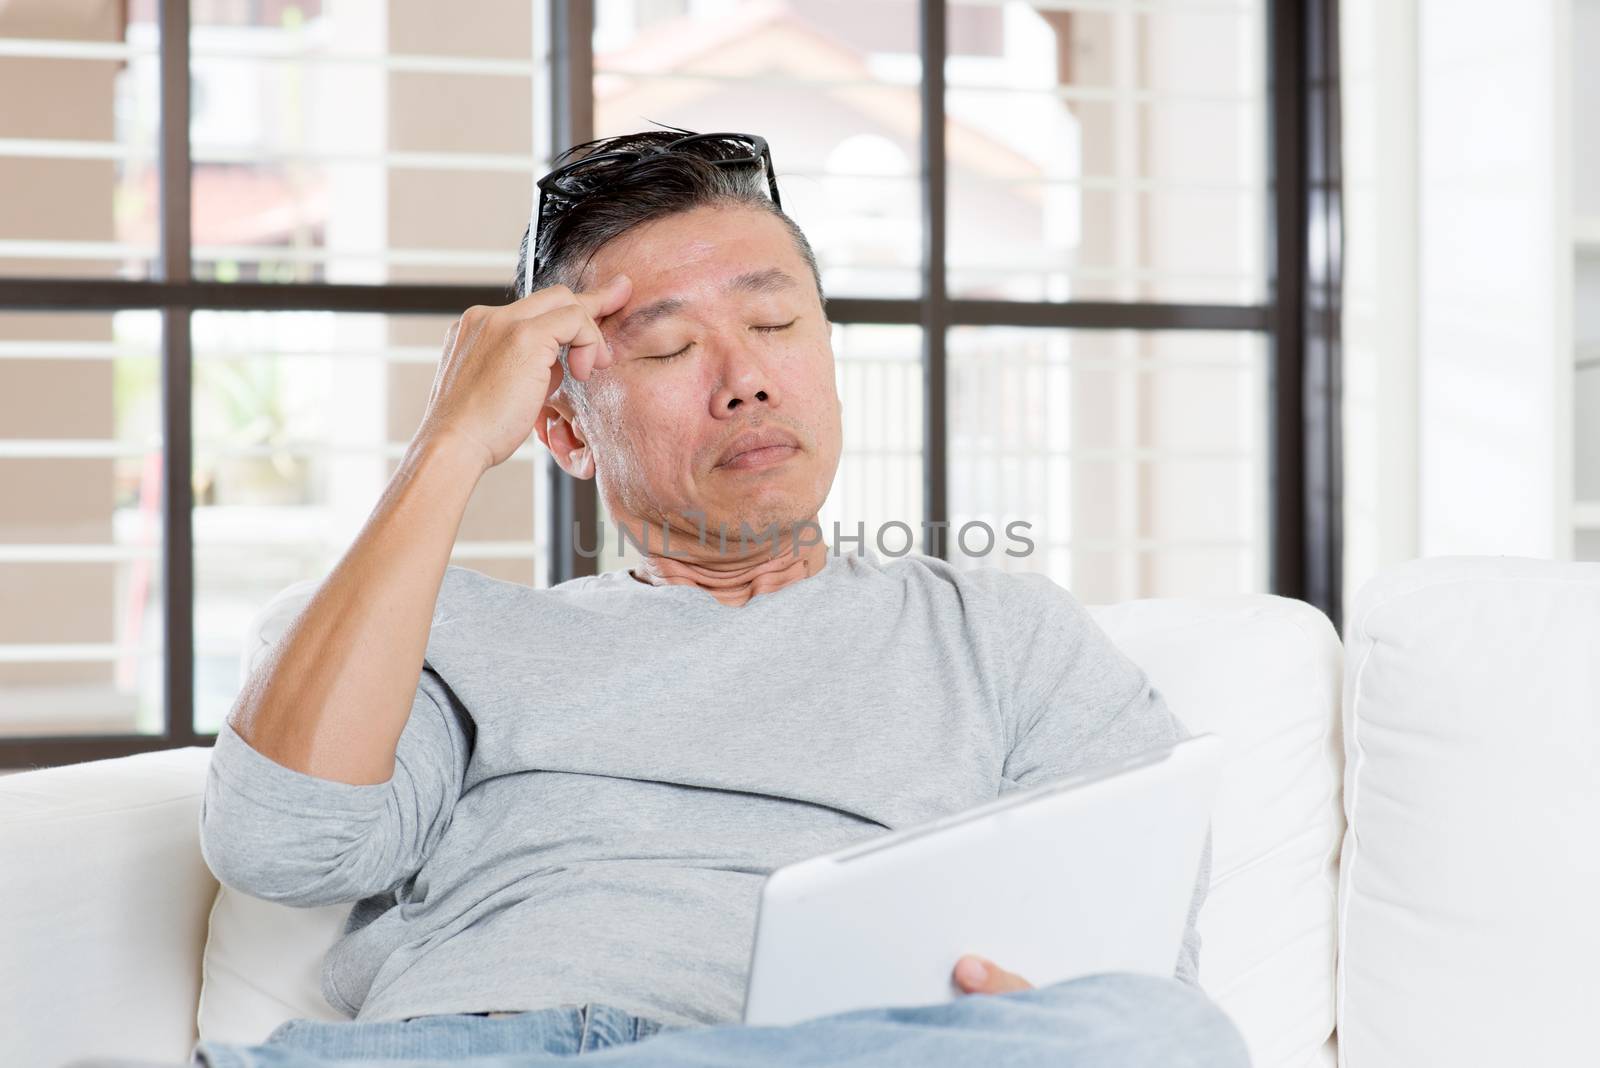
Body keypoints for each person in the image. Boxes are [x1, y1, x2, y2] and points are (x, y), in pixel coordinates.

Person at [131, 129, 1249, 1068]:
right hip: (478, 1044)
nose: (747, 378)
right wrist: (451, 442)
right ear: (562, 426)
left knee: (1166, 1031)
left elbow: (1130, 959)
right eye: (666, 346)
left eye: (774, 325)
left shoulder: (1000, 633)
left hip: (833, 1049)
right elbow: (281, 846)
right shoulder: (446, 633)